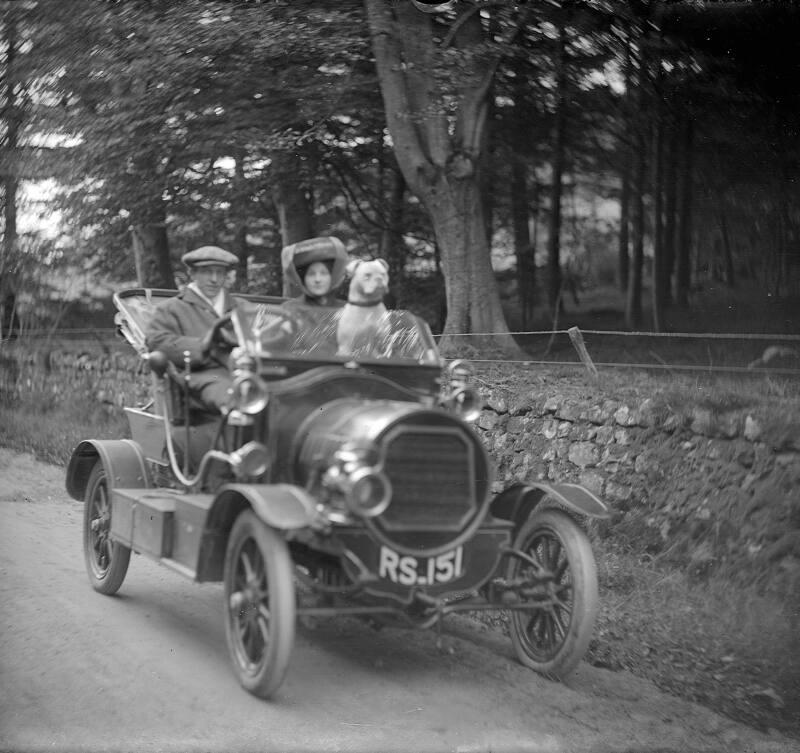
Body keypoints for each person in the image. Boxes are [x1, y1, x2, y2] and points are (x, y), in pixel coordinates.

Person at [145, 245, 239, 412]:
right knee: (234, 398)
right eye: (207, 272)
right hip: (199, 376)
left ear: (226, 275)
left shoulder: (242, 308)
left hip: (243, 372)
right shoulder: (170, 309)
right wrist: (204, 346)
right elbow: (156, 341)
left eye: (220, 272)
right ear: (193, 273)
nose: (214, 279)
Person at [280, 236, 348, 310]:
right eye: (311, 274)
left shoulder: (346, 309)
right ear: (302, 279)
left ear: (333, 276)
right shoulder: (289, 308)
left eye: (324, 273)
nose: (317, 279)